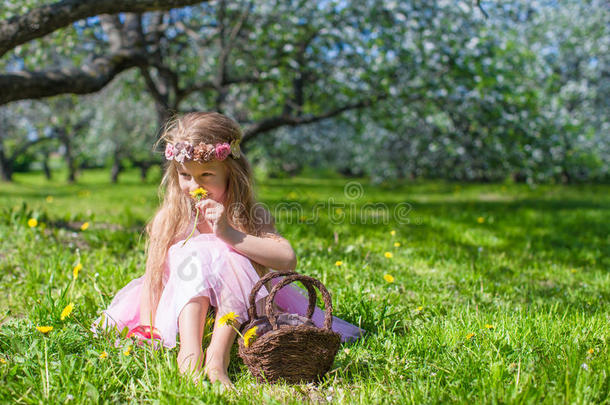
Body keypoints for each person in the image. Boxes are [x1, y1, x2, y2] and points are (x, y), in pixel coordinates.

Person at [92, 112, 364, 387]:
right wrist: (149, 326)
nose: (194, 186)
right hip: (182, 303)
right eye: (185, 175)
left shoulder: (249, 214)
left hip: (237, 305)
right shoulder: (171, 217)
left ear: (231, 172)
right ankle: (189, 352)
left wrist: (228, 233)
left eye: (206, 175)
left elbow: (287, 259)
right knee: (196, 250)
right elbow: (154, 276)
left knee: (225, 252)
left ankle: (217, 356)